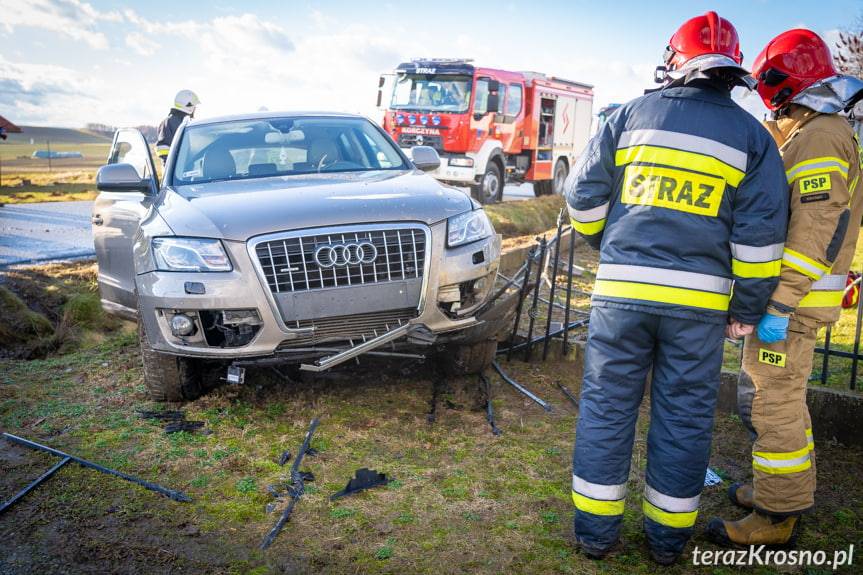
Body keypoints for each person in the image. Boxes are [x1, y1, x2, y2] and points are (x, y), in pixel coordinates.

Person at [565, 12, 789, 565]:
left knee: (606, 408)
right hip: (698, 310)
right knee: (684, 417)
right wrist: (747, 308)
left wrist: (610, 245)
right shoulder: (753, 138)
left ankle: (595, 534)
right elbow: (760, 239)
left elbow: (583, 199)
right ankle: (666, 542)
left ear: (675, 61)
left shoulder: (627, 116)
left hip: (621, 299)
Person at [708, 29, 863, 547]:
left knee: (771, 403)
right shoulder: (813, 130)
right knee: (782, 400)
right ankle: (781, 488)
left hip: (792, 306)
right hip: (793, 302)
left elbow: (816, 230)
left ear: (782, 82)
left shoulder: (821, 136)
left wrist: (779, 302)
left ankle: (777, 514)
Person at [156, 89, 200, 164]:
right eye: (194, 107)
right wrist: (175, 165)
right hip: (176, 169)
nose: (195, 109)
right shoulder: (169, 122)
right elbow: (163, 149)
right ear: (189, 106)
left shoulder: (185, 122)